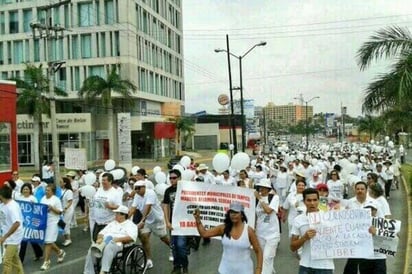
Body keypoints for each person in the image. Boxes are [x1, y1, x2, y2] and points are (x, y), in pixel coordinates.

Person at [193, 202, 263, 274]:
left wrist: (258, 269)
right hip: (224, 270)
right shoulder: (223, 228)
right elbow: (204, 234)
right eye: (231, 212)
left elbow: (258, 251)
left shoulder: (249, 231)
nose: (233, 214)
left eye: (236, 212)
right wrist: (198, 220)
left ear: (242, 215)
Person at [290, 188, 334, 274]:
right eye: (309, 200)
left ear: (319, 200)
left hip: (325, 266)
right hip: (306, 265)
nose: (312, 203)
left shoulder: (328, 217)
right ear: (304, 201)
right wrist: (304, 238)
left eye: (315, 200)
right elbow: (292, 247)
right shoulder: (298, 220)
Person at [83, 205, 138, 274]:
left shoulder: (131, 225)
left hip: (118, 244)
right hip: (105, 241)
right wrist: (100, 238)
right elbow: (101, 233)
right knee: (93, 247)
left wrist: (117, 239)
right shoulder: (112, 223)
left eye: (117, 213)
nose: (115, 215)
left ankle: (104, 271)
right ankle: (88, 272)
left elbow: (131, 237)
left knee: (109, 246)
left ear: (123, 215)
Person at [129, 180, 170, 269]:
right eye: (135, 189)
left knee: (164, 238)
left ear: (144, 187)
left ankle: (173, 249)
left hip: (157, 220)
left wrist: (142, 221)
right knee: (144, 238)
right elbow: (133, 209)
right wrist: (125, 220)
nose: (137, 190)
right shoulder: (136, 195)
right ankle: (148, 260)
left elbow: (148, 207)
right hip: (147, 221)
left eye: (138, 188)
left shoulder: (150, 193)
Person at [343, 181, 373, 274]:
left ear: (366, 190)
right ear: (355, 190)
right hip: (353, 240)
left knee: (366, 267)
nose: (360, 191)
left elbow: (381, 219)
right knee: (351, 266)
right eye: (358, 189)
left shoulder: (374, 202)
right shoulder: (349, 203)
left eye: (362, 189)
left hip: (369, 240)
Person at [162, 169, 189, 274]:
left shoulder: (186, 188)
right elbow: (166, 206)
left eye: (174, 178)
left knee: (181, 245)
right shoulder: (168, 191)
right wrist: (167, 222)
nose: (172, 180)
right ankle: (177, 266)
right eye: (170, 178)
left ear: (179, 178)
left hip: (184, 222)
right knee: (173, 246)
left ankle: (185, 265)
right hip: (173, 223)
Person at [254, 178, 280, 274]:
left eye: (264, 187)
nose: (261, 189)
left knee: (267, 257)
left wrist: (260, 199)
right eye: (260, 187)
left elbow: (268, 211)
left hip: (272, 234)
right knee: (263, 257)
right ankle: (270, 271)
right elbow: (255, 215)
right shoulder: (255, 199)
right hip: (260, 233)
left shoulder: (274, 197)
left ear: (268, 188)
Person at [15, 183, 43, 262]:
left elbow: (38, 209)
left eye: (27, 189)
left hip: (31, 222)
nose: (25, 190)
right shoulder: (20, 198)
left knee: (24, 240)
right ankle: (39, 253)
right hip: (22, 222)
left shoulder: (33, 198)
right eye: (24, 189)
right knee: (31, 239)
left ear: (30, 190)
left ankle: (20, 260)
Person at [40, 184, 66, 270]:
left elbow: (60, 212)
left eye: (48, 190)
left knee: (48, 242)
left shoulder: (56, 199)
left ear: (52, 191)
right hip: (45, 223)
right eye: (46, 190)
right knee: (48, 241)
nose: (46, 191)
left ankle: (46, 262)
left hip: (53, 223)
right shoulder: (43, 198)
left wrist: (52, 208)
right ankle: (60, 252)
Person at [90, 173, 122, 242]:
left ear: (110, 181)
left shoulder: (115, 193)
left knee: (104, 243)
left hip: (108, 223)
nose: (102, 182)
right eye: (102, 180)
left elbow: (120, 207)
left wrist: (111, 206)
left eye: (104, 180)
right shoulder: (99, 190)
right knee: (95, 239)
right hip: (97, 222)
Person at [0, 186, 24, 274]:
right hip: (7, 237)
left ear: (1, 196)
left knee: (7, 260)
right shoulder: (3, 205)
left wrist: (5, 237)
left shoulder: (12, 207)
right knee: (15, 259)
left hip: (14, 237)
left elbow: (17, 223)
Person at [60, 177, 74, 246]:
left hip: (67, 211)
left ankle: (68, 239)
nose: (59, 183)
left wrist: (65, 208)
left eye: (61, 182)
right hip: (61, 210)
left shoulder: (69, 191)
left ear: (65, 183)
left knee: (66, 225)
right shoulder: (59, 190)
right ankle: (66, 238)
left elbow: (70, 201)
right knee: (62, 224)